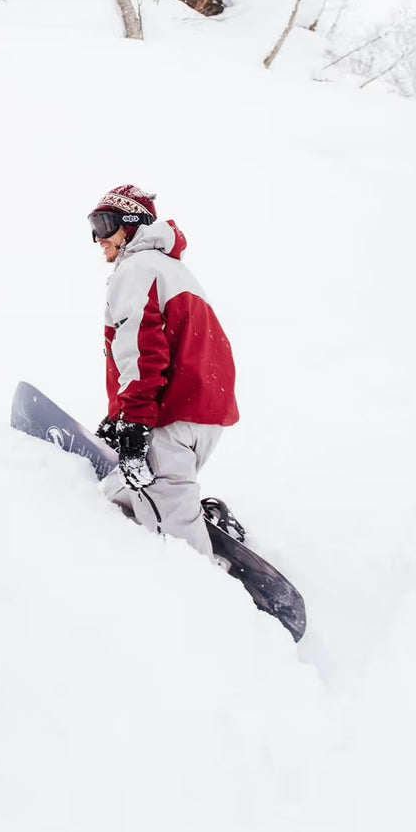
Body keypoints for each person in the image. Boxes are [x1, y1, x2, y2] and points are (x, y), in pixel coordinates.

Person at [88, 184, 238, 556]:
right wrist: (120, 416)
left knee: (177, 550)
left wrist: (135, 423)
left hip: (170, 419)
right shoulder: (173, 270)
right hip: (203, 416)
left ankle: (215, 593)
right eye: (93, 225)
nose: (97, 237)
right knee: (121, 498)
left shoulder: (136, 269)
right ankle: (195, 514)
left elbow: (142, 353)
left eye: (105, 224)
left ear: (131, 225)